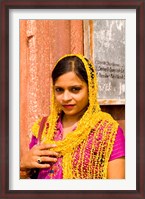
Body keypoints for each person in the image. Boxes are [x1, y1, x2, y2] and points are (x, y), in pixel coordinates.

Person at [20, 54, 125, 179]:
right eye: (59, 90)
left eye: (75, 89)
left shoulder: (108, 132)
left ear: (90, 89)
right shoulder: (44, 128)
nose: (65, 98)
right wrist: (23, 166)